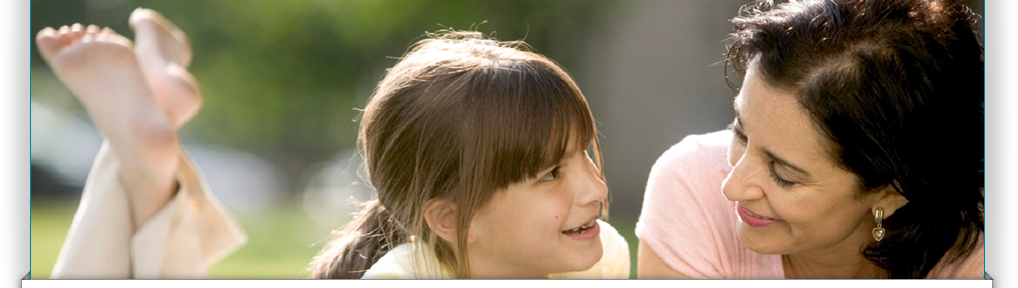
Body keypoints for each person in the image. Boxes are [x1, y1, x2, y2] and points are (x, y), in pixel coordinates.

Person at [36, 9, 630, 279]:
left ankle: (146, 145)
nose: (596, 190)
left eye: (586, 153)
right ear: (450, 218)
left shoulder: (602, 259)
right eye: (550, 173)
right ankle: (145, 147)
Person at [636, 0, 983, 279]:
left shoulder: (971, 259)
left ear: (890, 192)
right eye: (741, 132)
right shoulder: (692, 187)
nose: (732, 188)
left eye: (783, 174)